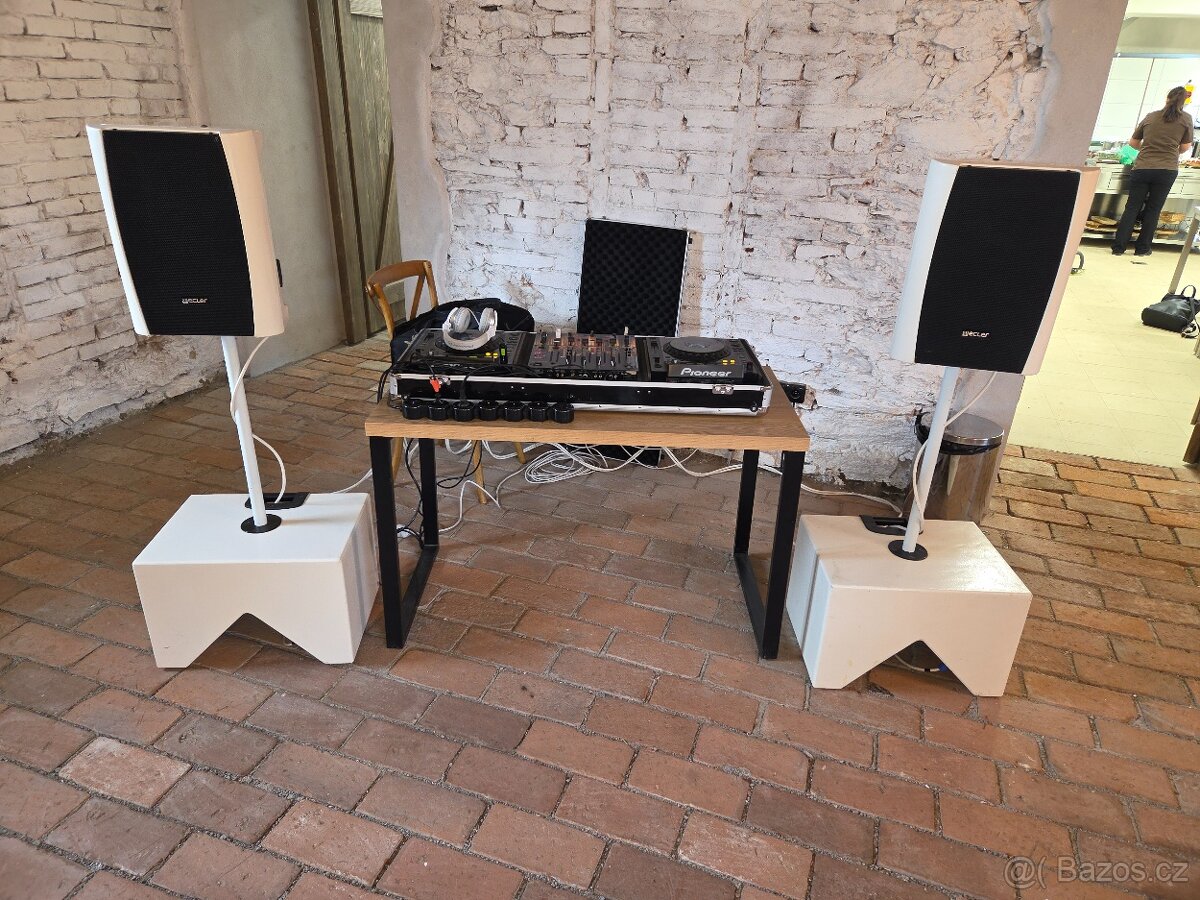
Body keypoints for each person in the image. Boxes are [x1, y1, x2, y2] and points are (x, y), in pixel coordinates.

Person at [1112, 87, 1194, 257]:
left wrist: (1148, 148)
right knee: (1153, 209)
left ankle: (1118, 248)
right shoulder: (1186, 119)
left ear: (1167, 98)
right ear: (1183, 101)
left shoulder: (1151, 116)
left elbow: (1133, 142)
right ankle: (1142, 249)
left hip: (1143, 167)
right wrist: (1171, 150)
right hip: (1166, 170)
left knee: (1132, 207)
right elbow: (1185, 147)